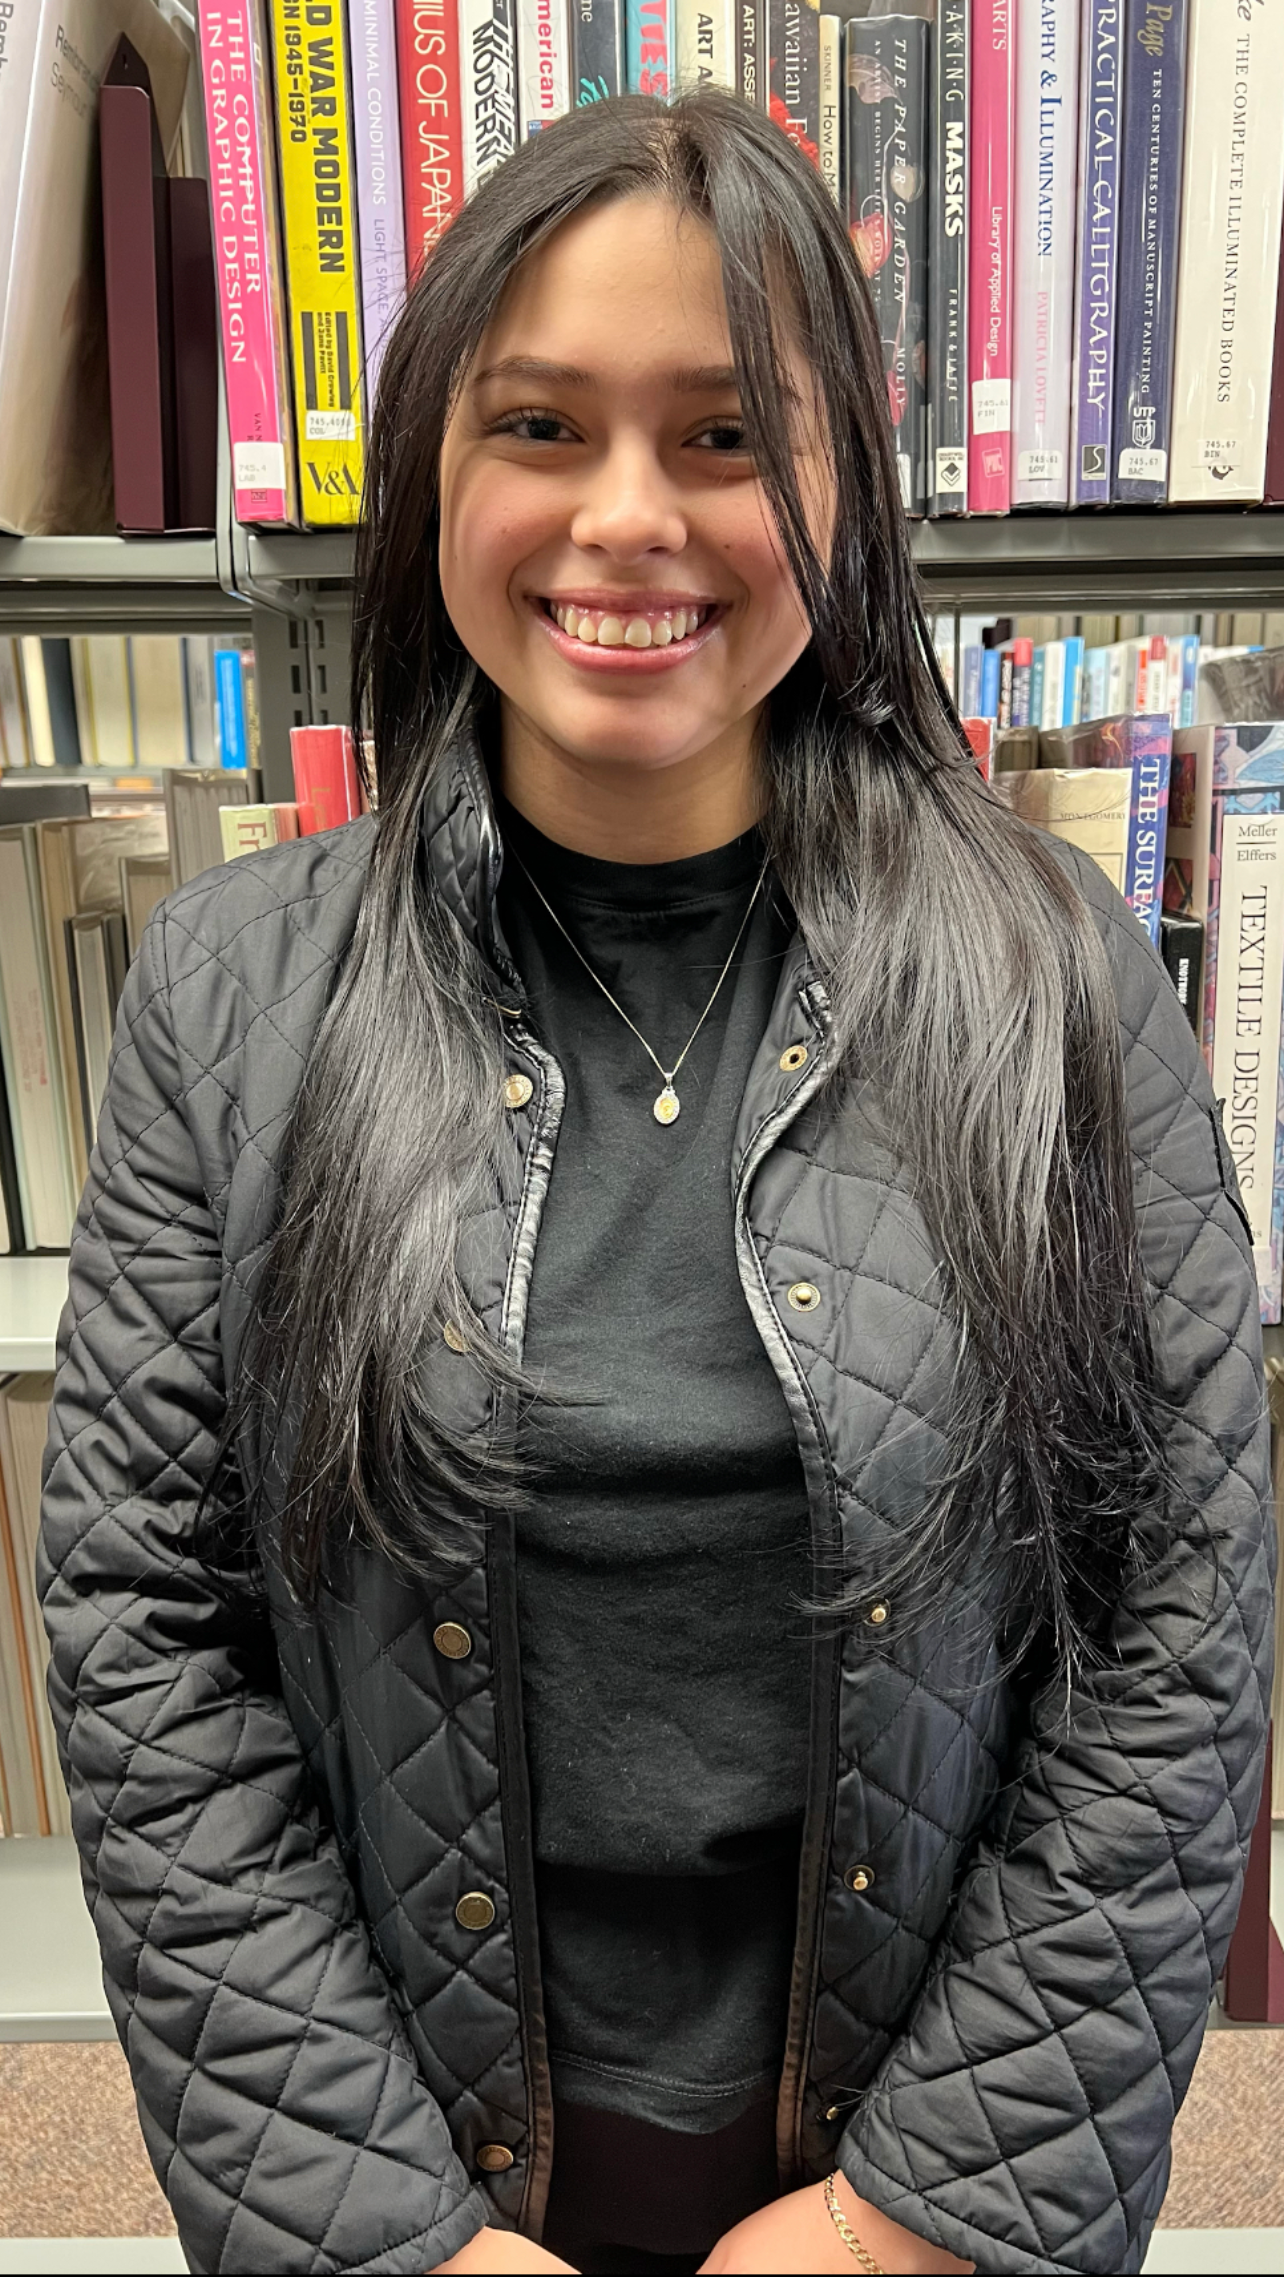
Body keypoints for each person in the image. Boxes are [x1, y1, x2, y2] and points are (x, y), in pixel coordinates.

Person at [39, 91, 1272, 2277]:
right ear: (433, 461)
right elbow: (149, 1641)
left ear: (840, 499)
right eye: (541, 424)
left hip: (907, 2161)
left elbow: (1180, 1625)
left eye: (724, 438)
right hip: (420, 2160)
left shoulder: (1054, 976)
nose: (632, 518)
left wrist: (918, 2221)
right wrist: (381, 2231)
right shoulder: (235, 993)